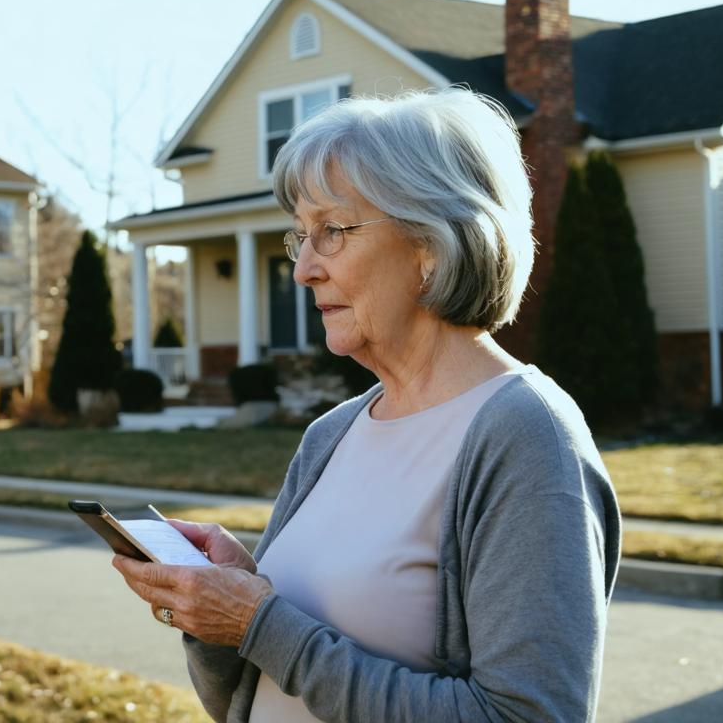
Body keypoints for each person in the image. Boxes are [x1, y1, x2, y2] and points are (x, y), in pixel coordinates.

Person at [112, 87, 621, 723]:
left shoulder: (525, 435)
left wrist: (259, 621)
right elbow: (243, 697)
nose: (303, 270)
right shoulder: (332, 434)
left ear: (432, 243)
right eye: (301, 237)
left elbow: (530, 715)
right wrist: (222, 605)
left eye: (334, 231)